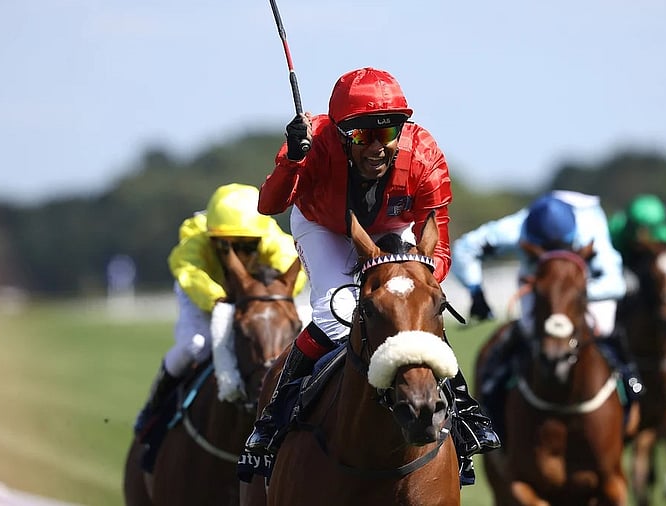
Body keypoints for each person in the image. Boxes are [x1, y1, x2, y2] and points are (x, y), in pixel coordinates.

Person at [244, 67, 500, 484]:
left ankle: (464, 412)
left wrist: (418, 286)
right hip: (323, 225)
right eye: (363, 135)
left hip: (388, 227)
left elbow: (441, 243)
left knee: (413, 311)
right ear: (343, 134)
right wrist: (293, 160)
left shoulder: (424, 156)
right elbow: (269, 205)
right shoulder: (312, 143)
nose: (378, 147)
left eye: (389, 131)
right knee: (336, 314)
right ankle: (272, 420)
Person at [449, 190, 642, 431]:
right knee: (527, 328)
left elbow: (615, 283)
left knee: (604, 326)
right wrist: (476, 291)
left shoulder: (590, 227)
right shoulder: (516, 228)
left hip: (583, 286)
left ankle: (629, 381)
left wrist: (566, 296)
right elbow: (465, 248)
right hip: (538, 282)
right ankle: (488, 400)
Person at [133, 183, 307, 438]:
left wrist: (261, 297)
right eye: (227, 247)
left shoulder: (271, 239)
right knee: (196, 344)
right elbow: (190, 274)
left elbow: (292, 279)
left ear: (259, 238)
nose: (238, 255)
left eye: (247, 246)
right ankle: (153, 409)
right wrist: (217, 299)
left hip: (251, 299)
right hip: (204, 294)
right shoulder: (195, 241)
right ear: (212, 238)